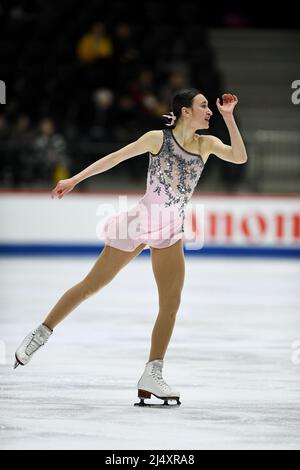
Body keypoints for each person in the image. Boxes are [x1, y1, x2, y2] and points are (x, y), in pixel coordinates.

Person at [14, 88, 248, 407]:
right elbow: (114, 158)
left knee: (170, 303)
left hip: (169, 230)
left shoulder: (207, 144)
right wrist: (74, 180)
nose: (210, 110)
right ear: (184, 111)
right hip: (141, 220)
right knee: (90, 286)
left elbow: (239, 156)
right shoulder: (158, 139)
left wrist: (229, 118)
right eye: (204, 106)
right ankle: (38, 335)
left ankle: (153, 373)